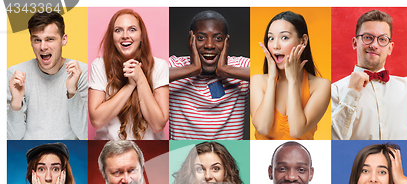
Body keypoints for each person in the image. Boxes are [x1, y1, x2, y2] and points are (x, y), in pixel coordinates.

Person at [169, 10, 250, 139]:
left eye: (218, 38)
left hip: (229, 155)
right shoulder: (175, 66)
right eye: (201, 38)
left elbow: (274, 74)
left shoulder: (240, 66)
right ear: (191, 40)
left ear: (226, 41)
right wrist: (192, 69)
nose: (209, 45)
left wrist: (225, 70)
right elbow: (146, 75)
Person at [331, 10, 407, 140]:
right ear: (355, 43)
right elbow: (334, 140)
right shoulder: (335, 91)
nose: (374, 45)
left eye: (382, 39)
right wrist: (351, 93)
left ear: (390, 48)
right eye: (368, 37)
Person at [89, 9, 169, 140]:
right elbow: (97, 120)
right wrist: (130, 85)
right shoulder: (99, 65)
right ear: (112, 36)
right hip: (109, 147)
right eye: (118, 30)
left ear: (141, 35)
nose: (125, 35)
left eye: (132, 29)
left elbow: (158, 125)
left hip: (150, 149)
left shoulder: (160, 66)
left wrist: (141, 79)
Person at [7, 11, 87, 140]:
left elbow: (83, 134)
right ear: (31, 42)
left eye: (50, 39)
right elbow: (12, 137)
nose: (43, 47)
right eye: (37, 40)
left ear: (64, 39)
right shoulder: (15, 75)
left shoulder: (81, 72)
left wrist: (72, 92)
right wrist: (16, 103)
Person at [250, 11, 330, 140]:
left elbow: (296, 131)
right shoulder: (257, 81)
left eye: (284, 37)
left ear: (303, 41)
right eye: (271, 38)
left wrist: (292, 81)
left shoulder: (321, 85)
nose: (275, 45)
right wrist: (271, 79)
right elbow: (263, 127)